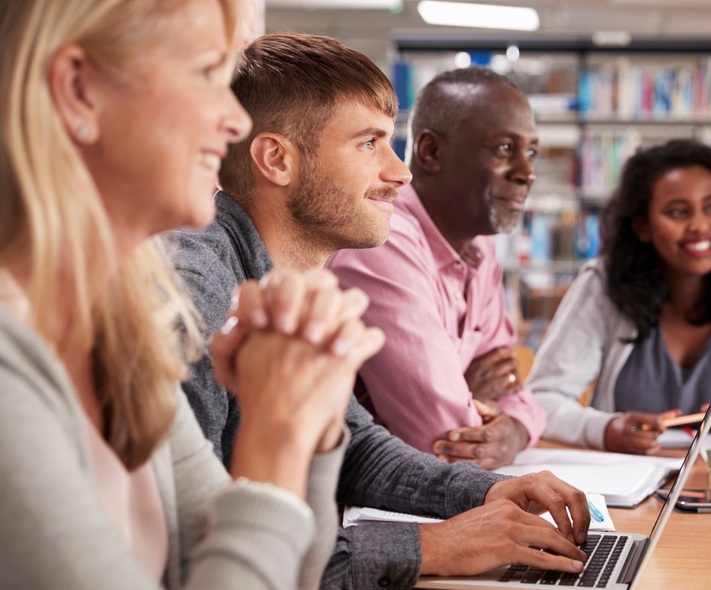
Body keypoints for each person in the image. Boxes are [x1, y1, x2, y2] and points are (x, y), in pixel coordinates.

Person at [166, 34, 590, 589]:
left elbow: (356, 447)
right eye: (369, 144)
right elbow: (205, 546)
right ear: (277, 159)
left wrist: (484, 491)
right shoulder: (195, 296)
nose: (402, 173)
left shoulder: (288, 283)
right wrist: (432, 545)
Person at [0, 1, 387, 588]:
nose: (235, 122)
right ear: (80, 91)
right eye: (207, 73)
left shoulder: (117, 327)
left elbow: (277, 568)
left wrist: (312, 403)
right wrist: (274, 433)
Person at [327, 67, 545, 469]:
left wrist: (513, 430)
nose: (526, 173)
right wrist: (468, 392)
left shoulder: (480, 247)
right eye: (503, 149)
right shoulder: (383, 240)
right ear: (430, 152)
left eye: (530, 152)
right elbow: (442, 439)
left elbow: (517, 391)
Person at [527, 138, 711, 454]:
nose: (700, 225)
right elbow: (540, 399)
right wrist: (604, 429)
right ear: (642, 226)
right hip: (632, 493)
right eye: (678, 212)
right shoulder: (603, 284)